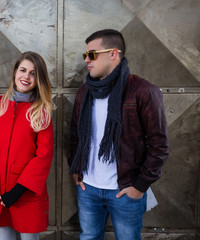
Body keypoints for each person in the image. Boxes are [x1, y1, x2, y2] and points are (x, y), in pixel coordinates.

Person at [68, 29, 169, 240]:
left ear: (113, 54)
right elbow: (76, 135)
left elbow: (159, 145)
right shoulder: (85, 91)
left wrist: (140, 185)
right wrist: (76, 169)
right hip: (89, 188)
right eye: (85, 55)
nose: (87, 60)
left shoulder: (143, 91)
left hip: (124, 190)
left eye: (92, 54)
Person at [0, 51, 54, 240]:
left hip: (26, 194)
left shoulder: (41, 111)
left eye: (33, 73)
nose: (26, 76)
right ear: (14, 72)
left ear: (39, 79)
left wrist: (18, 191)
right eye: (23, 70)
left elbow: (43, 155)